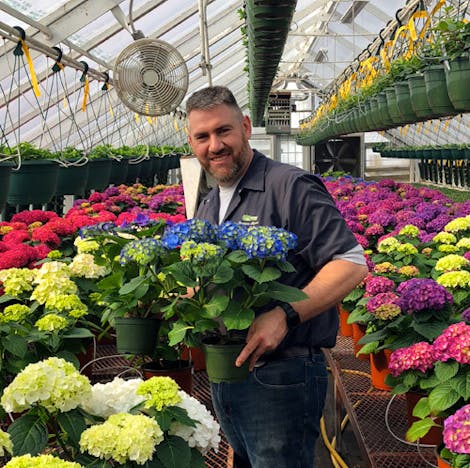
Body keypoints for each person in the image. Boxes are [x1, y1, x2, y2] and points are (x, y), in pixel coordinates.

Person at [186, 85, 368, 468]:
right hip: (228, 371)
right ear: (192, 143)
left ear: (245, 127)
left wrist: (284, 314)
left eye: (223, 131)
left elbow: (350, 263)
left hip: (282, 374)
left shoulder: (290, 186)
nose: (215, 145)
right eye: (202, 136)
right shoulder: (209, 202)